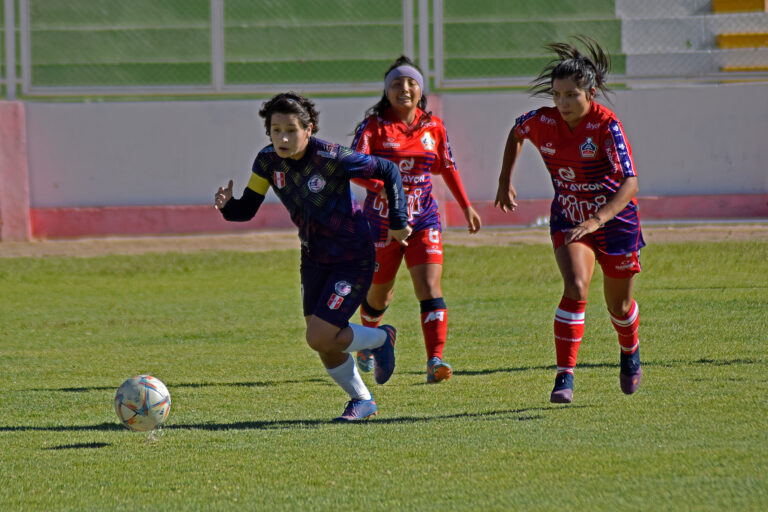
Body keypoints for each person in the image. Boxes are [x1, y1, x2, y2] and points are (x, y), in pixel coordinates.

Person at [214, 92, 412, 421]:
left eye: (291, 130)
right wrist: (227, 207)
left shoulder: (332, 157)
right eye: (276, 130)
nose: (283, 138)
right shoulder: (266, 162)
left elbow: (388, 170)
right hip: (313, 259)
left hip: (353, 257)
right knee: (322, 340)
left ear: (309, 130)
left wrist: (399, 221)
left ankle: (380, 338)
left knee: (319, 335)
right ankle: (362, 401)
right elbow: (246, 209)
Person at [494, 38, 645, 403]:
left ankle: (630, 351)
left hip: (615, 221)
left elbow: (630, 182)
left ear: (590, 93)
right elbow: (516, 134)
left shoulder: (606, 126)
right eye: (557, 95)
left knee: (619, 308)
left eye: (571, 95)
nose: (562, 103)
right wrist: (504, 181)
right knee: (576, 287)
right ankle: (564, 377)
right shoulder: (541, 121)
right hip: (569, 219)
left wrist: (597, 219)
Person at [350, 56, 482, 383]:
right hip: (381, 222)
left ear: (420, 89)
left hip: (423, 216)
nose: (404, 89)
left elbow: (447, 166)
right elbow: (355, 168)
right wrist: (383, 189)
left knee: (429, 285)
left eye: (411, 83)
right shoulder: (375, 127)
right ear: (387, 91)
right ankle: (368, 343)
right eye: (396, 83)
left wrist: (466, 206)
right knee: (379, 295)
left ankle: (435, 360)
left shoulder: (433, 127)